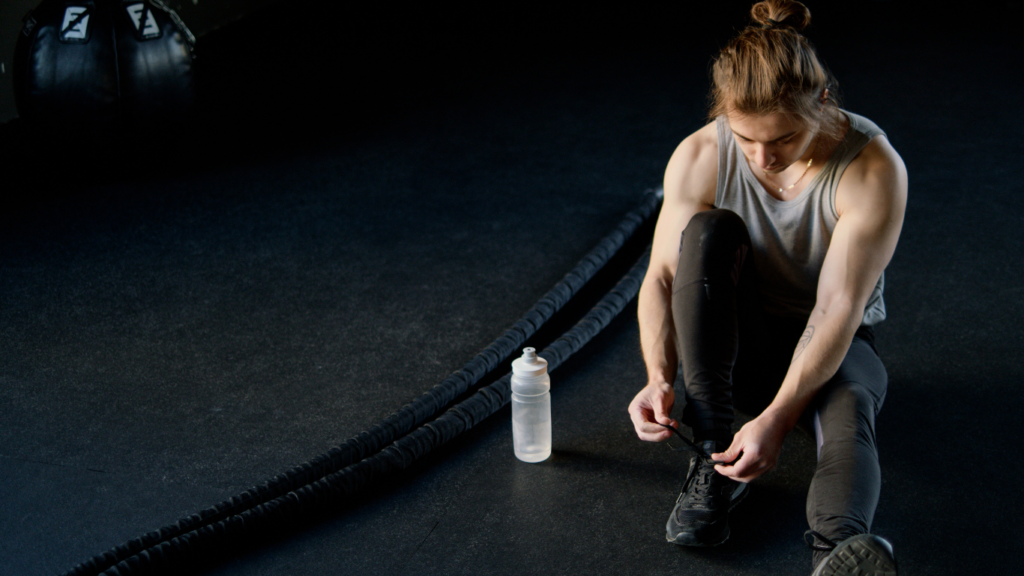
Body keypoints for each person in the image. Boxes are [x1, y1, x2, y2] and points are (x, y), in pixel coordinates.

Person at [626, 1, 907, 575]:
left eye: (783, 138)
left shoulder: (871, 167)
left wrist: (778, 418)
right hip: (735, 339)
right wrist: (657, 377)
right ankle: (713, 455)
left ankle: (837, 555)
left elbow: (837, 307)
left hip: (831, 339)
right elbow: (662, 276)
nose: (762, 157)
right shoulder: (701, 154)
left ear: (822, 101)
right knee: (707, 231)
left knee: (852, 410)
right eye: (745, 139)